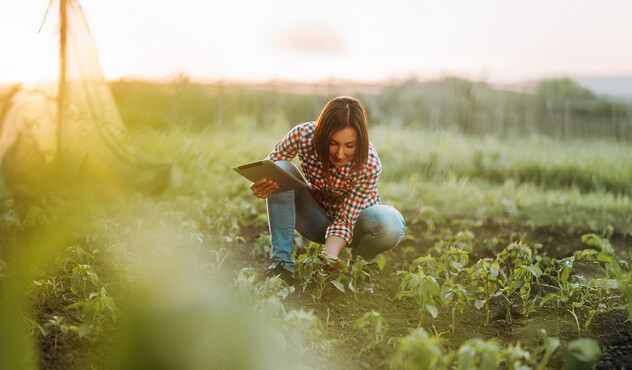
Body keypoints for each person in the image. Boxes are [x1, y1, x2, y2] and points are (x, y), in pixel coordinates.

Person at [250, 96, 405, 292]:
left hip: (357, 225)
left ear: (361, 140)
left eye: (350, 146)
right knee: (278, 169)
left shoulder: (369, 163)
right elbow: (268, 167)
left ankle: (361, 266)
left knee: (390, 224)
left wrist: (330, 254)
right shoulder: (303, 135)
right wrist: (261, 183)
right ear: (321, 135)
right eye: (333, 143)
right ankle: (281, 268)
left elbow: (346, 220)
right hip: (315, 218)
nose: (340, 154)